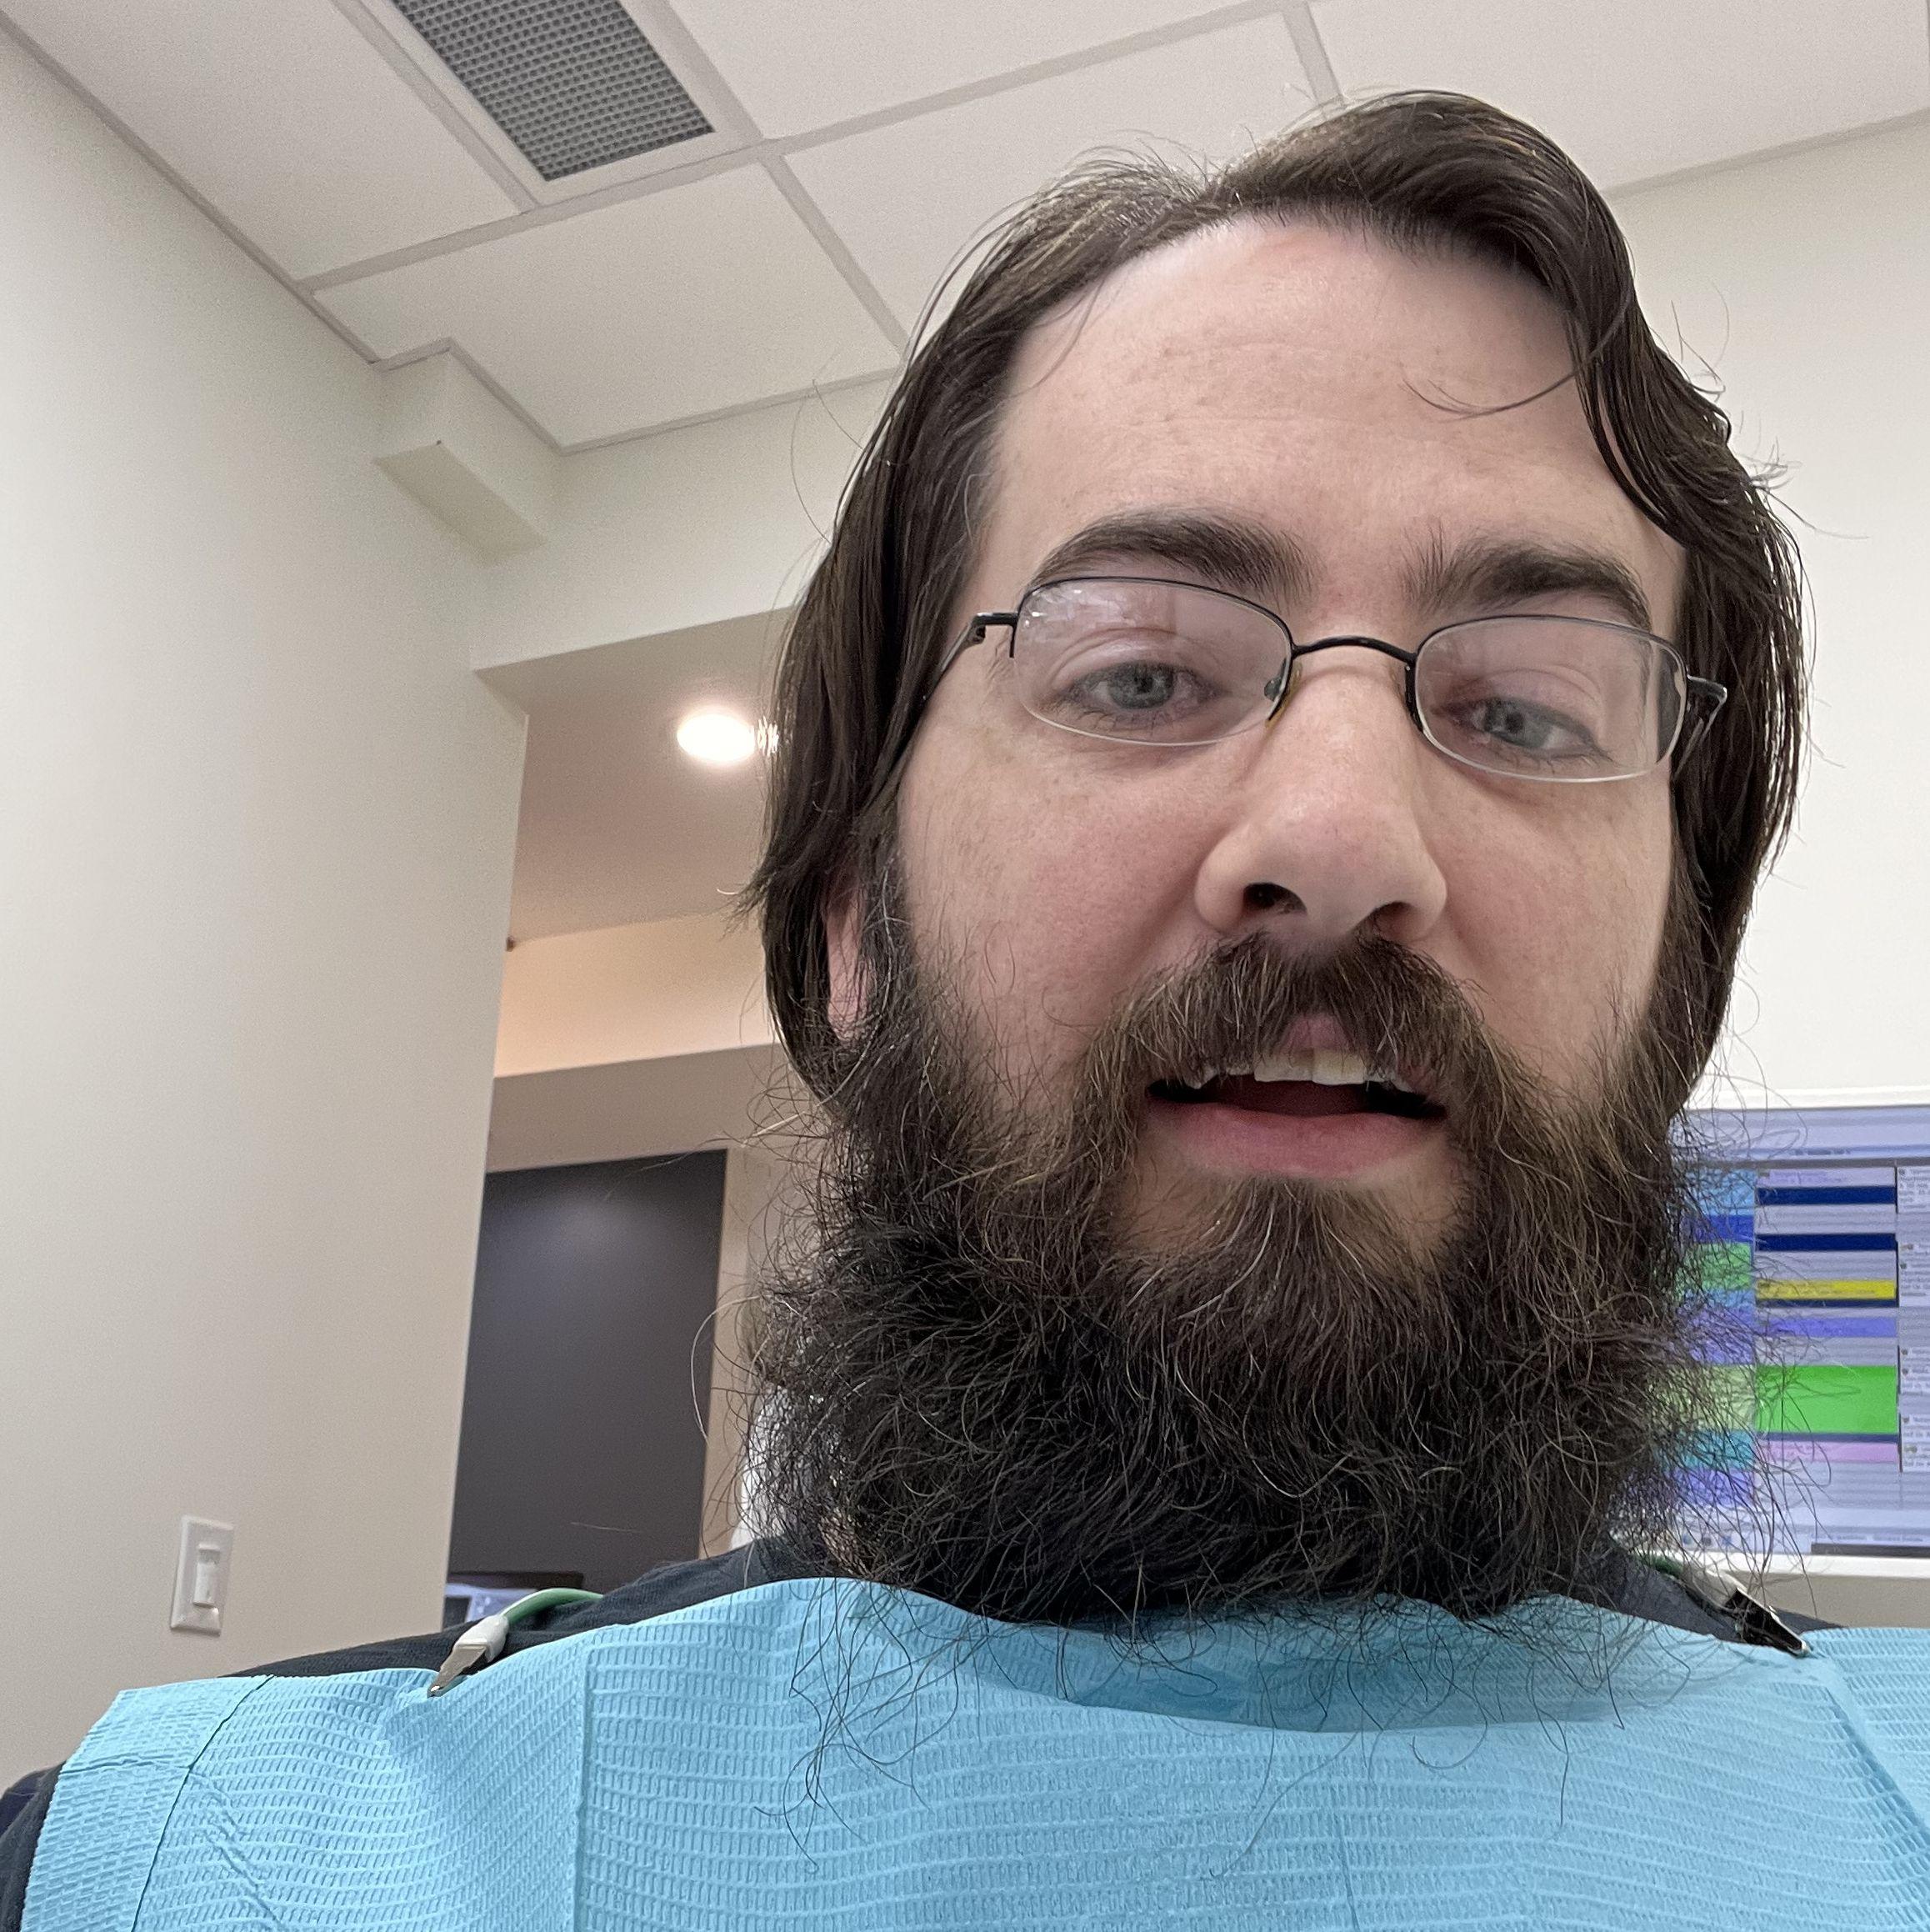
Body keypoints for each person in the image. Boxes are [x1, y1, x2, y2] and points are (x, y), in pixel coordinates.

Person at [21, 89, 1922, 1932]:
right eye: (1140, 673)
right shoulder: (198, 1868)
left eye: (1523, 707)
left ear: (1678, 979)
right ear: (856, 914)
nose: (1339, 837)